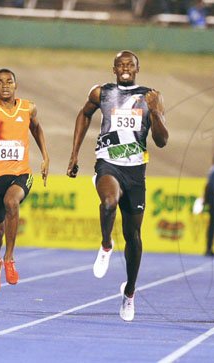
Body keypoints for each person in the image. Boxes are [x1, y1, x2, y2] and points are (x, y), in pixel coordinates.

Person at [66, 50, 169, 322]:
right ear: (113, 69)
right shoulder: (102, 92)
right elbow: (83, 115)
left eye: (130, 65)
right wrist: (75, 154)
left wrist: (156, 112)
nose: (125, 69)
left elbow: (161, 141)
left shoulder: (151, 96)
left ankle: (130, 292)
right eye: (120, 65)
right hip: (108, 163)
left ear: (137, 69)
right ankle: (106, 244)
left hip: (135, 171)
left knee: (134, 237)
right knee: (108, 203)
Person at [0, 68, 50, 296]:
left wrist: (45, 156)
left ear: (15, 85)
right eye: (0, 82)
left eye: (9, 81)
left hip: (21, 174)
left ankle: (10, 258)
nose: (5, 85)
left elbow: (36, 127)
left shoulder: (28, 107)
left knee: (12, 202)